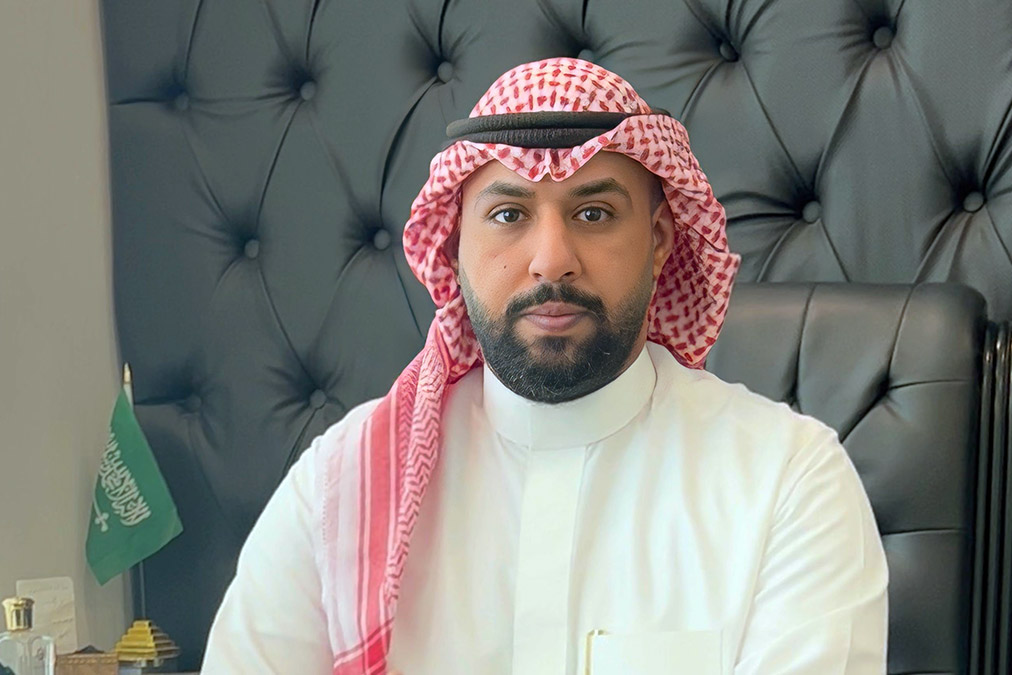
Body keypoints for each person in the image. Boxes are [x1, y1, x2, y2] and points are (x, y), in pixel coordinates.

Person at [201, 58, 887, 675]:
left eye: (594, 212)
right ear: (454, 246)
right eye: (509, 214)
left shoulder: (787, 482)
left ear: (658, 241)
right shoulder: (340, 487)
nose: (551, 259)